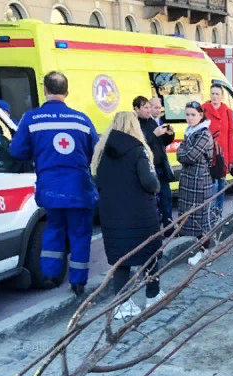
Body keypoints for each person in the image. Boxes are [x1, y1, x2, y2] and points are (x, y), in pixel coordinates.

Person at [10, 71, 99, 295]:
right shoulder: (81, 119)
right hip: (79, 187)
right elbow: (95, 151)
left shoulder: (31, 118)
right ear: (66, 92)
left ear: (45, 91)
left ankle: (50, 275)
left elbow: (17, 151)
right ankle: (78, 282)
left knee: (53, 229)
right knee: (80, 233)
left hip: (50, 188)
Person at [91, 112, 165, 319]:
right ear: (134, 126)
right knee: (149, 254)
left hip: (112, 214)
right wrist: (156, 187)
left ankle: (122, 304)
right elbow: (149, 182)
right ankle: (152, 295)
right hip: (140, 213)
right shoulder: (138, 150)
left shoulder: (101, 151)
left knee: (120, 259)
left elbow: (97, 180)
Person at [178, 101, 215, 266]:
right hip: (189, 180)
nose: (190, 118)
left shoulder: (204, 134)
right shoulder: (190, 131)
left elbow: (189, 156)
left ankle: (205, 252)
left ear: (201, 115)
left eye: (193, 114)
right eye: (187, 114)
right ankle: (197, 249)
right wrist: (182, 150)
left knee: (201, 218)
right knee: (190, 217)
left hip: (199, 181)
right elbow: (183, 152)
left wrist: (181, 151)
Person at [134, 96, 175, 231]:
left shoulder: (151, 122)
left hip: (161, 166)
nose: (148, 110)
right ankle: (155, 231)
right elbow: (142, 144)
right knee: (153, 202)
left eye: (148, 107)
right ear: (136, 109)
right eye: (146, 108)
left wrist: (169, 135)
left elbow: (161, 142)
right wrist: (154, 134)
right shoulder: (135, 125)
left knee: (166, 199)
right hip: (149, 168)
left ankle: (169, 229)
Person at [203, 84, 233, 219]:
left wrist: (230, 159)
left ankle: (218, 215)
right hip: (208, 153)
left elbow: (230, 135)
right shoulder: (203, 109)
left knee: (221, 186)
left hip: (223, 154)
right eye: (213, 94)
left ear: (222, 96)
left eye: (217, 94)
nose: (215, 96)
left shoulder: (227, 111)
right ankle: (208, 215)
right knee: (210, 186)